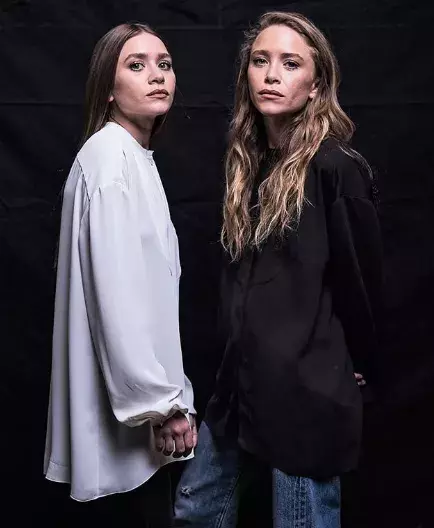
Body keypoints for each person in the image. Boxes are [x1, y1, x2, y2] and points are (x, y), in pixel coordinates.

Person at [174, 11, 382, 528]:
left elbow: (361, 280)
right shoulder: (247, 164)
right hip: (239, 384)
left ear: (316, 85)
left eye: (290, 64)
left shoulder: (336, 167)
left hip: (304, 391)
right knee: (196, 511)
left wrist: (357, 362)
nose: (271, 75)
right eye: (260, 61)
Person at [44, 22, 197, 525]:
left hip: (140, 415)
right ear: (108, 88)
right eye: (136, 65)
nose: (157, 75)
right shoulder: (110, 159)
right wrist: (162, 406)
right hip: (131, 420)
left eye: (164, 64)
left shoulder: (131, 157)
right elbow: (117, 299)